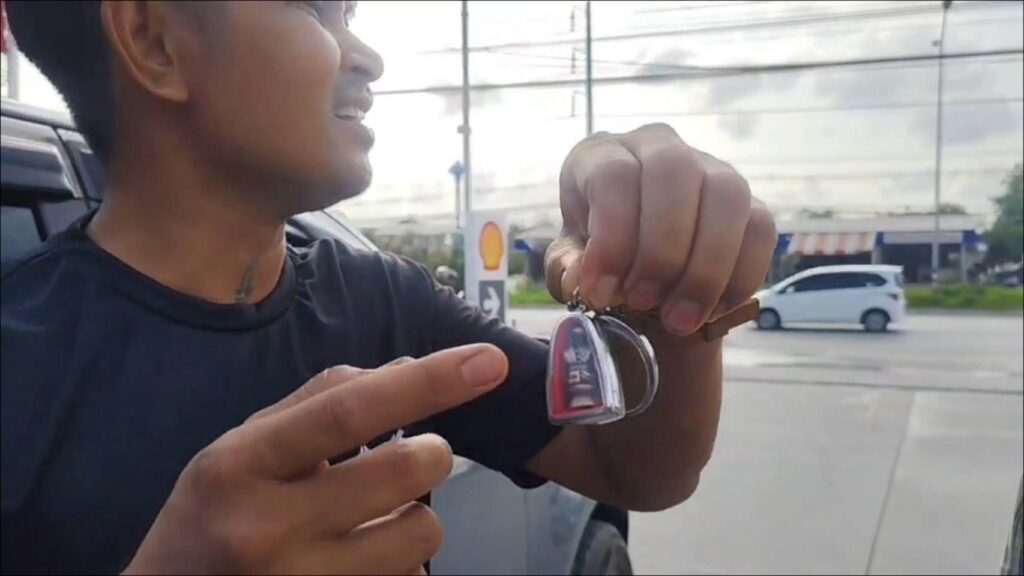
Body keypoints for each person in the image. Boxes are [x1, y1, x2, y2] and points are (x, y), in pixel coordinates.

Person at [0, 1, 776, 573]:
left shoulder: (385, 301)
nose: (367, 58)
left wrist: (665, 295)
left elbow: (635, 468)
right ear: (153, 39)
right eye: (314, 7)